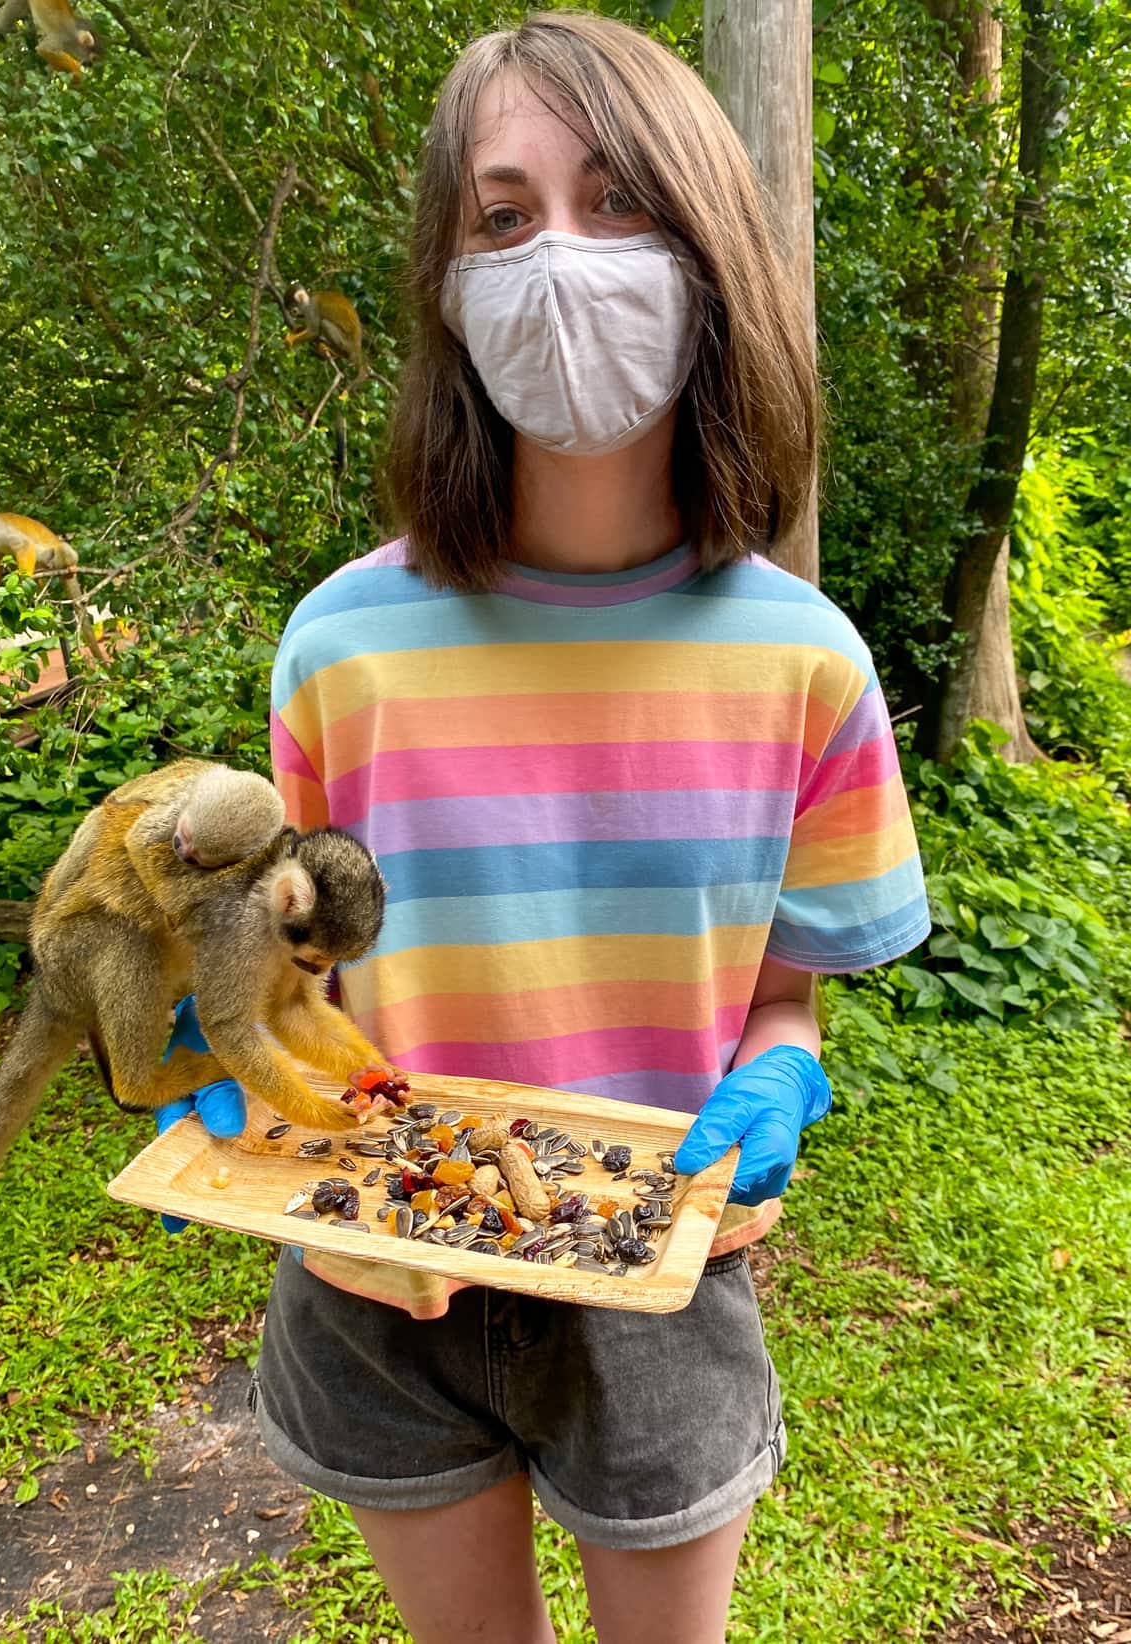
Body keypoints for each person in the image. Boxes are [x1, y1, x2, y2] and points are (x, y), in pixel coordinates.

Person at [166, 13, 931, 1641]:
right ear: (446, 282)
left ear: (713, 247)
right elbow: (308, 969)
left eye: (618, 202)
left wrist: (782, 1063)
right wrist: (246, 1045)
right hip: (382, 1278)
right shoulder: (339, 646)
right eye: (503, 217)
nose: (559, 260)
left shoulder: (809, 660)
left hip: (657, 1284)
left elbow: (785, 993)